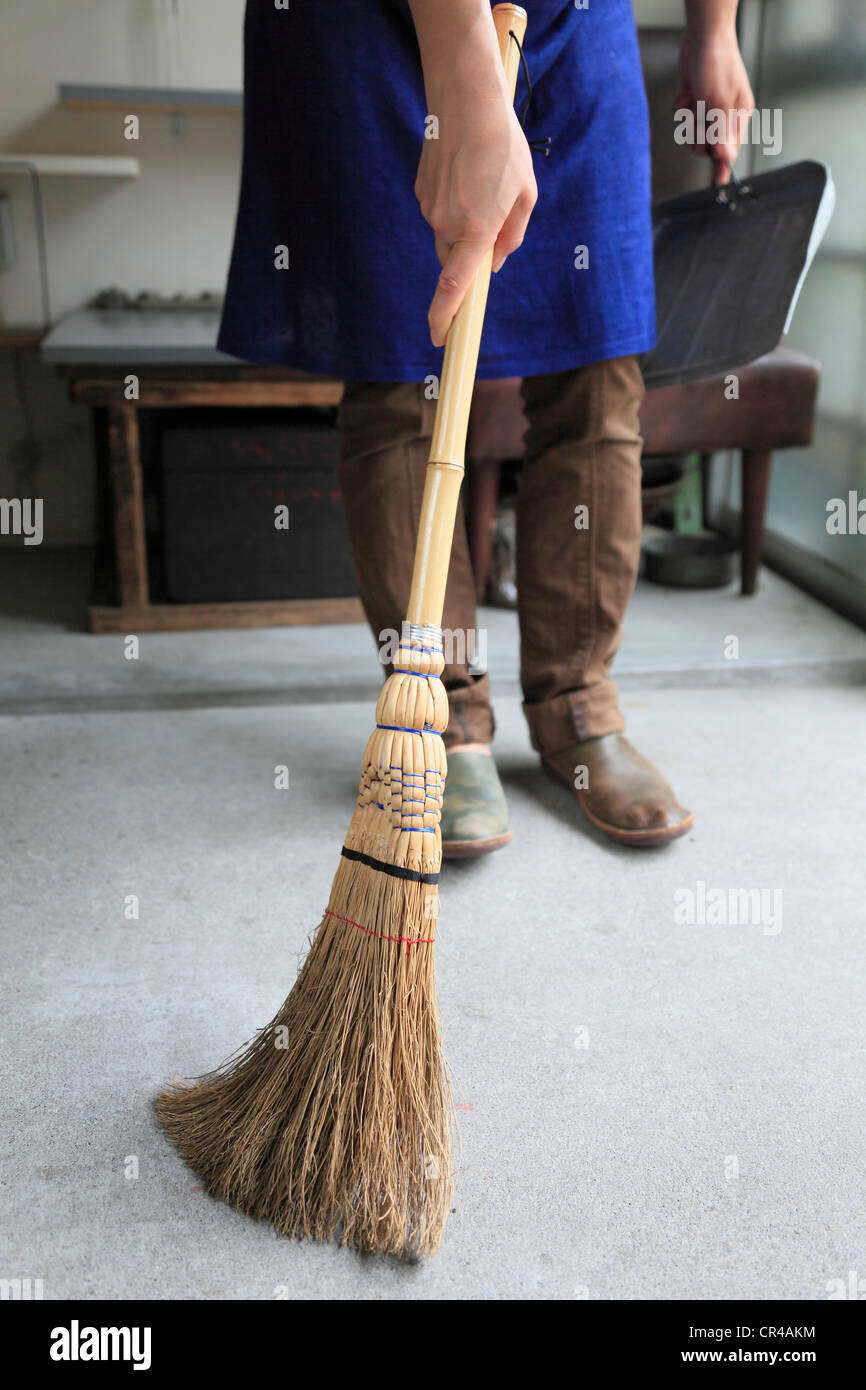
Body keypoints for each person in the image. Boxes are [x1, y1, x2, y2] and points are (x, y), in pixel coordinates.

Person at [218, 0, 754, 854]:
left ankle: (579, 707)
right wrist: (464, 77)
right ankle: (445, 713)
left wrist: (713, 30)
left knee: (598, 351)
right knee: (401, 356)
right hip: (367, 23)